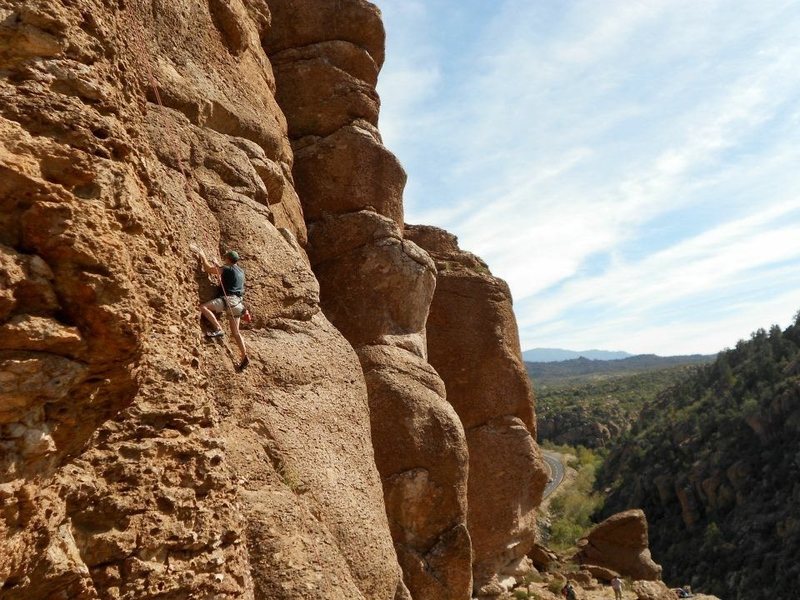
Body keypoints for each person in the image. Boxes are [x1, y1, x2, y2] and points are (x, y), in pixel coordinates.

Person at [194, 246, 249, 370]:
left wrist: (202, 255)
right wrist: (219, 266)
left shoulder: (226, 268)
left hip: (228, 301)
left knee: (203, 307)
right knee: (236, 332)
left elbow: (208, 269)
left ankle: (218, 328)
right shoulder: (240, 271)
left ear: (228, 259)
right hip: (238, 304)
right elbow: (227, 279)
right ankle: (244, 355)